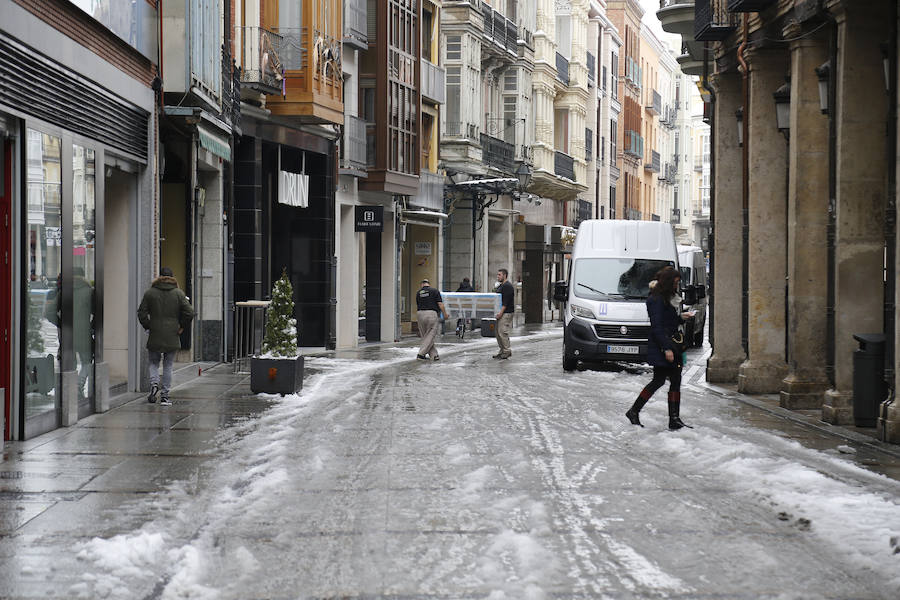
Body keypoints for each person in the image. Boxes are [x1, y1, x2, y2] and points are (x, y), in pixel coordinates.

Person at [626, 266, 695, 430]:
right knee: (660, 381)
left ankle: (673, 418)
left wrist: (681, 318)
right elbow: (657, 327)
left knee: (670, 381)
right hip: (663, 347)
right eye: (676, 282)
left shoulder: (665, 298)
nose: (677, 286)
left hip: (670, 345)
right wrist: (666, 349)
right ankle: (636, 411)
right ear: (669, 282)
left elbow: (668, 322)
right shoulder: (655, 300)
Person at [138, 267, 194, 405]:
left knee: (153, 362)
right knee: (168, 365)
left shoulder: (150, 293)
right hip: (172, 333)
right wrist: (181, 326)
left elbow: (141, 313)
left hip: (155, 332)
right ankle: (165, 396)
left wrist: (148, 326)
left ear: (159, 277)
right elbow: (190, 312)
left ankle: (154, 384)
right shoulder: (178, 294)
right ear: (172, 278)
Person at [415, 278, 449, 361]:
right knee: (430, 335)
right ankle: (421, 354)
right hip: (431, 314)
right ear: (428, 284)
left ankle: (434, 355)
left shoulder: (418, 293)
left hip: (420, 314)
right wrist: (445, 314)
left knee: (426, 336)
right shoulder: (434, 291)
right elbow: (440, 304)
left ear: (422, 284)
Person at [493, 268, 515, 359]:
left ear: (505, 275)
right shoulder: (501, 286)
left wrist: (501, 313)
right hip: (501, 312)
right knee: (498, 333)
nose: (498, 276)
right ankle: (502, 351)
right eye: (497, 275)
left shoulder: (507, 286)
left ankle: (506, 351)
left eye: (499, 275)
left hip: (506, 312)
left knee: (502, 332)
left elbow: (505, 302)